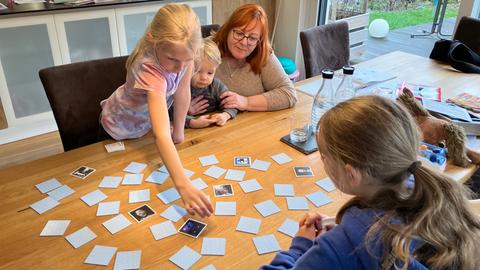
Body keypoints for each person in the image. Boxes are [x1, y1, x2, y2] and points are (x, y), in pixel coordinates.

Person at [262, 96, 480, 270]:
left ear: (352, 174)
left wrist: (300, 245)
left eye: (324, 156)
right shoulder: (431, 190)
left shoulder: (340, 247)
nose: (322, 161)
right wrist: (343, 227)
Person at [98, 4, 213, 218]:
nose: (180, 67)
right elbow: (161, 133)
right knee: (117, 193)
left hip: (145, 128)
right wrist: (183, 185)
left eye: (187, 61)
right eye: (173, 60)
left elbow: (182, 90)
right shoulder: (148, 68)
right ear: (153, 40)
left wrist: (179, 131)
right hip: (117, 127)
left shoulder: (184, 52)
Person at [188, 3, 297, 115]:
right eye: (239, 33)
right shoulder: (206, 50)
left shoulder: (262, 53)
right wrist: (183, 108)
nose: (244, 42)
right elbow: (173, 88)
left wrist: (246, 102)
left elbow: (288, 94)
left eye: (252, 38)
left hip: (251, 126)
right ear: (228, 29)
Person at [176, 37, 237, 128]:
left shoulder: (216, 86)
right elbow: (169, 114)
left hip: (214, 130)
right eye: (198, 71)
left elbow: (232, 104)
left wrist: (225, 116)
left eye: (210, 73)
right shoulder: (180, 87)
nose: (204, 78)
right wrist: (187, 114)